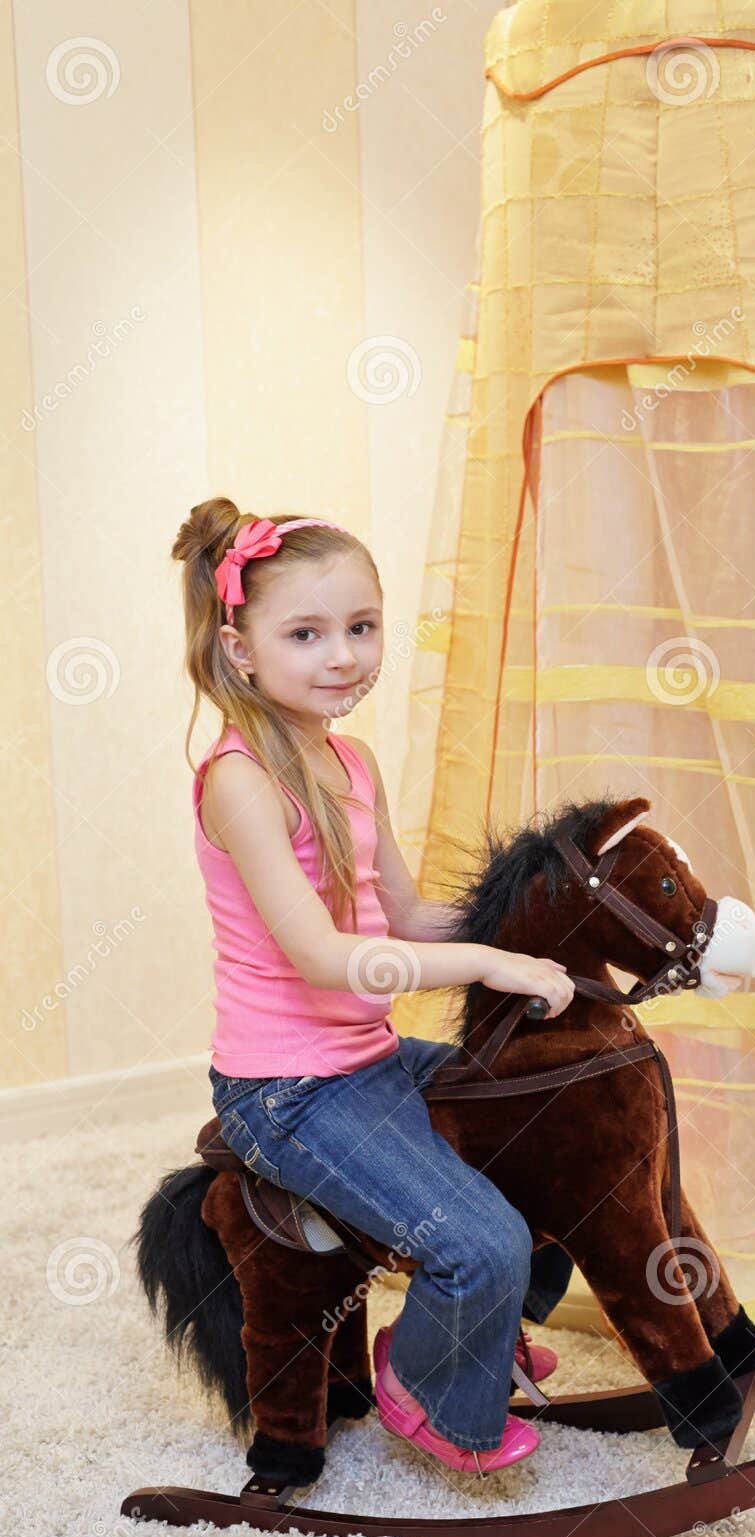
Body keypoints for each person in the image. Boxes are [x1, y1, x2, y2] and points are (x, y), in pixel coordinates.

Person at [173, 499, 576, 1475]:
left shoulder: (349, 759)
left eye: (361, 627)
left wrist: (519, 927)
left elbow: (397, 913)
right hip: (289, 1091)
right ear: (239, 647)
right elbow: (324, 956)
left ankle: (474, 1332)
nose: (343, 655)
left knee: (562, 1131)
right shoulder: (239, 780)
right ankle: (427, 1378)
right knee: (479, 1247)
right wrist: (483, 966)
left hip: (368, 1058)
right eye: (305, 633)